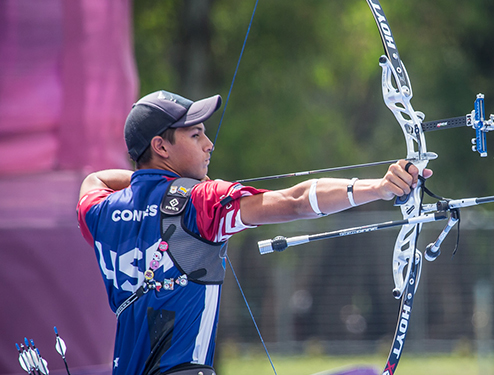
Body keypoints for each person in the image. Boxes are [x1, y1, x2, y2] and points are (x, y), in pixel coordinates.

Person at [77, 90, 432, 375]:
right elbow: (294, 202)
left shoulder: (98, 212)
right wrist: (380, 188)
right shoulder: (201, 203)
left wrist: (151, 184)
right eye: (196, 134)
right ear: (161, 146)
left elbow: (94, 180)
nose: (208, 144)